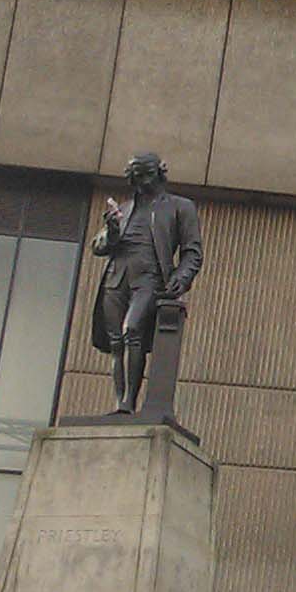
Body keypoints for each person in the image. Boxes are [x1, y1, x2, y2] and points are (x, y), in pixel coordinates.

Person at [91, 150, 204, 415]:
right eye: (137, 177)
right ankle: (122, 405)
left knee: (132, 331)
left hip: (149, 278)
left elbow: (192, 251)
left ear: (160, 174)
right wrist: (113, 231)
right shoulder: (124, 209)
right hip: (117, 278)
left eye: (147, 176)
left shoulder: (179, 207)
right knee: (116, 341)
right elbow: (98, 247)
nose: (142, 183)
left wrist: (181, 277)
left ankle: (130, 399)